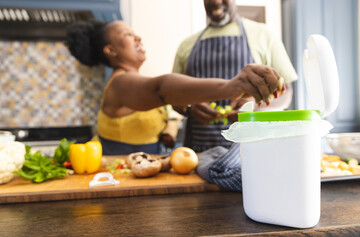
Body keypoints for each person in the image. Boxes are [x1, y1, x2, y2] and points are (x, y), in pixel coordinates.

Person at [66, 19, 282, 155]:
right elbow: (162, 89)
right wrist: (230, 86)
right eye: (128, 35)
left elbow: (161, 103)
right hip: (118, 175)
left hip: (143, 165)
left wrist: (185, 113)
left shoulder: (131, 80)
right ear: (110, 51)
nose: (138, 37)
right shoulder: (121, 83)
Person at [173, 0, 298, 152]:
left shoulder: (264, 35)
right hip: (197, 152)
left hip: (251, 150)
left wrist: (254, 108)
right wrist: (189, 108)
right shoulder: (187, 44)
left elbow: (286, 93)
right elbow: (173, 96)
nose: (216, 1)